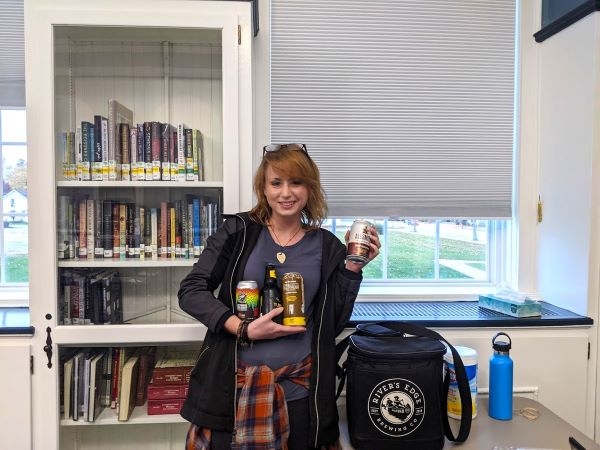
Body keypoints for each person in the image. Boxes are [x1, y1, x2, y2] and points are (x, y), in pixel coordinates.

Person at [178, 143, 381, 450]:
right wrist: (243, 327)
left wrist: (353, 267)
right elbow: (191, 291)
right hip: (231, 390)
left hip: (302, 393)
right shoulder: (238, 232)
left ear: (309, 188)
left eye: (296, 182)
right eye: (277, 183)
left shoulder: (327, 246)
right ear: (264, 187)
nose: (286, 193)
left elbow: (333, 323)